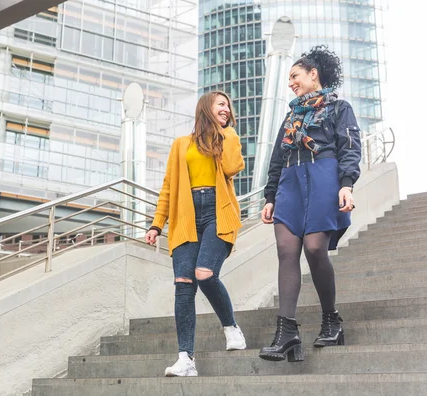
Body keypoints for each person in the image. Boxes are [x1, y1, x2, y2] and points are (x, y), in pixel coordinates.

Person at [258, 45, 361, 362]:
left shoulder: (338, 108)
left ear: (313, 74)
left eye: (294, 76)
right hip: (290, 182)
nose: (290, 82)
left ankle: (332, 320)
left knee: (315, 248)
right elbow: (277, 158)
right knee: (286, 251)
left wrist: (346, 185)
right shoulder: (290, 117)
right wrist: (270, 196)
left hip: (323, 177)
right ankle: (286, 331)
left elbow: (349, 147)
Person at [145, 91, 247, 377]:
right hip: (186, 217)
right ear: (206, 108)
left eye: (228, 105)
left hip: (218, 211)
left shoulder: (227, 138)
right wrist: (156, 224)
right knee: (184, 284)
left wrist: (225, 133)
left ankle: (231, 326)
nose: (227, 108)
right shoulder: (180, 145)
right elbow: (168, 187)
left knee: (204, 273)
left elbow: (232, 167)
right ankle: (186, 358)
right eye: (221, 104)